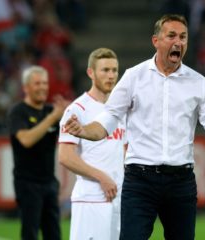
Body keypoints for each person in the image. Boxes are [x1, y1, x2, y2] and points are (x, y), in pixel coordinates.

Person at [63, 14, 205, 240]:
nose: (178, 42)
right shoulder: (133, 78)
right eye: (171, 35)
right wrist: (84, 131)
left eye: (183, 37)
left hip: (180, 181)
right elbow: (107, 122)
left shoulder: (198, 83)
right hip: (140, 180)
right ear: (156, 41)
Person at [58, 48, 126, 240]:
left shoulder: (118, 110)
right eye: (105, 70)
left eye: (114, 70)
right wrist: (101, 177)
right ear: (91, 73)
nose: (111, 75)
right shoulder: (77, 110)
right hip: (91, 198)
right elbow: (65, 156)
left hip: (118, 198)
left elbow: (123, 150)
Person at [7, 65, 69, 240]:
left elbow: (72, 133)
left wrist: (71, 113)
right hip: (27, 183)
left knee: (54, 234)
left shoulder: (51, 111)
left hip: (49, 182)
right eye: (37, 83)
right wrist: (52, 118)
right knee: (30, 233)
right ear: (26, 87)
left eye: (45, 83)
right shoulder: (18, 112)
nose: (42, 87)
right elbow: (26, 140)